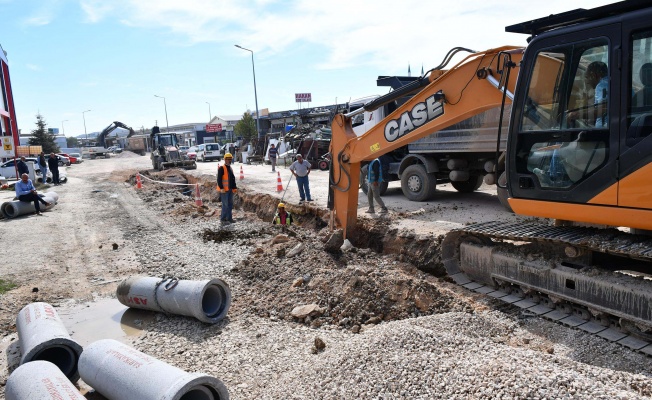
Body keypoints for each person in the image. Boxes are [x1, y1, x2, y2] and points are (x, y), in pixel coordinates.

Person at [568, 61, 609, 127]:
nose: (587, 82)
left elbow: (603, 109)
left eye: (587, 77)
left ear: (594, 75)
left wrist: (577, 115)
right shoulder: (611, 82)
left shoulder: (602, 85)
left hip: (603, 132)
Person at [217, 152, 237, 223]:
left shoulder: (230, 168)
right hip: (224, 191)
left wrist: (234, 187)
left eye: (230, 159)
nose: (230, 160)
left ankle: (229, 218)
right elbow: (219, 179)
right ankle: (223, 219)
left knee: (230, 204)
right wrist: (221, 188)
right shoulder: (222, 168)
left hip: (230, 190)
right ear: (225, 159)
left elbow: (232, 178)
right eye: (228, 159)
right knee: (225, 205)